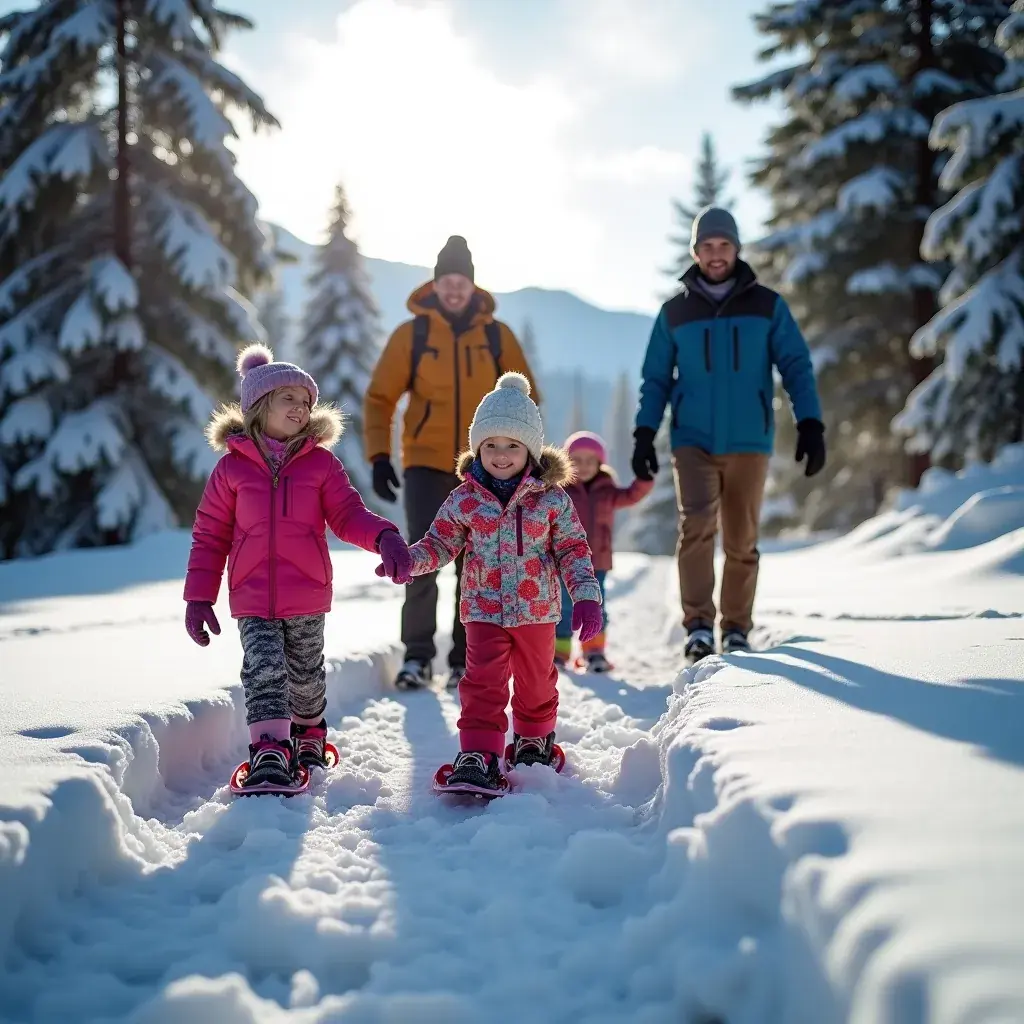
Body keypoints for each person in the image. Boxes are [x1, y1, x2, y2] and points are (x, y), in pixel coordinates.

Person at [183, 345, 413, 794]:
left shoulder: (322, 464)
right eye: (289, 398)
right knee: (264, 669)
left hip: (307, 593)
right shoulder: (230, 470)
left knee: (306, 675)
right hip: (251, 596)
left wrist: (384, 536)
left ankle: (308, 734)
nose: (301, 407)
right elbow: (209, 535)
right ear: (258, 406)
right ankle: (270, 749)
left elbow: (348, 515)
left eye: (306, 401)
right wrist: (198, 596)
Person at [382, 372, 603, 794]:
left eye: (512, 446)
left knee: (537, 680)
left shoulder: (552, 499)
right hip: (482, 610)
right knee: (481, 681)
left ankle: (534, 739)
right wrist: (411, 561)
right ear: (477, 447)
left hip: (537, 612)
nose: (501, 455)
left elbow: (573, 550)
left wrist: (587, 597)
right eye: (490, 446)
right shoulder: (465, 498)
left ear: (531, 450)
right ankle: (479, 753)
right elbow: (441, 542)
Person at [631, 206, 825, 662]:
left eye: (724, 245)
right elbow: (655, 378)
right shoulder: (675, 313)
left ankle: (735, 628)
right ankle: (698, 625)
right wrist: (643, 432)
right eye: (707, 246)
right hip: (692, 438)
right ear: (695, 251)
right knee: (696, 525)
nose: (716, 254)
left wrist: (810, 422)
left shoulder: (766, 305)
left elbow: (795, 364)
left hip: (748, 440)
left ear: (736, 248)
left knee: (741, 538)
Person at [364, 235, 540, 691]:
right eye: (447, 280)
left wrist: (527, 459)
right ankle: (418, 656)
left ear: (472, 284)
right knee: (422, 558)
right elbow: (381, 397)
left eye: (461, 280)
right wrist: (379, 455)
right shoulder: (414, 334)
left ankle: (466, 658)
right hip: (425, 461)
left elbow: (526, 400)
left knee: (476, 564)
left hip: (487, 467)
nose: (454, 289)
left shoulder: (496, 337)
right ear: (436, 283)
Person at [556, 430, 653, 672]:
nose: (584, 466)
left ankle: (594, 652)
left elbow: (631, 495)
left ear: (600, 463)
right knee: (564, 607)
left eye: (590, 461)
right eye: (577, 460)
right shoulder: (561, 491)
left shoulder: (606, 491)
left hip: (597, 561)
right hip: (564, 562)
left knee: (596, 606)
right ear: (567, 462)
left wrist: (644, 479)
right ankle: (559, 653)